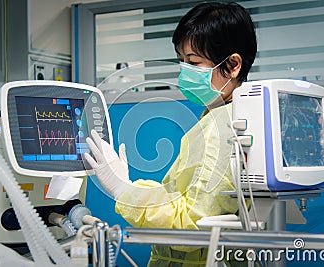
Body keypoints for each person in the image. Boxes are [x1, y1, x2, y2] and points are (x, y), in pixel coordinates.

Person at [84, 2, 257, 266]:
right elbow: (182, 198)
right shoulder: (227, 116)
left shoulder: (224, 127)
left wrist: (122, 190)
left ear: (233, 65)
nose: (184, 73)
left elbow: (192, 224)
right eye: (181, 62)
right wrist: (130, 185)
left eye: (194, 63)